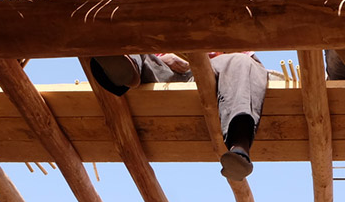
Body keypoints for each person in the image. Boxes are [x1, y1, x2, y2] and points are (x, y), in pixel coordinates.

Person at [90, 52, 264, 182]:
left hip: (216, 71)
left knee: (241, 62)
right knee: (136, 41)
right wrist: (166, 58)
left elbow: (250, 64)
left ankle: (239, 149)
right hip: (166, 72)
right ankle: (123, 66)